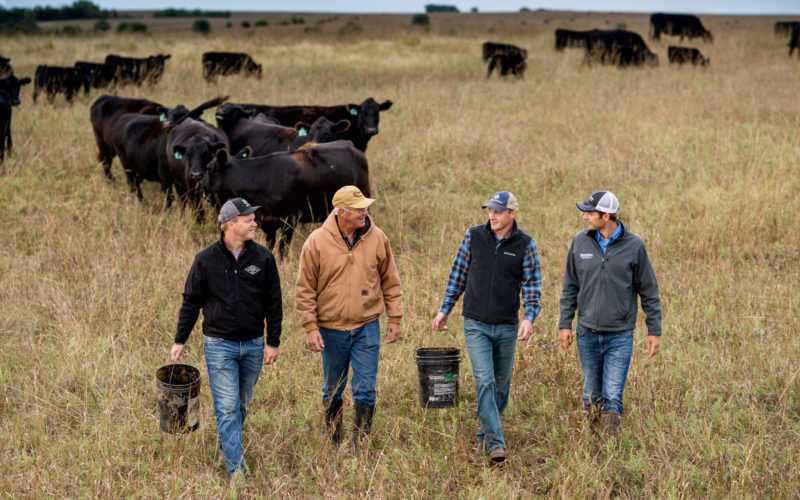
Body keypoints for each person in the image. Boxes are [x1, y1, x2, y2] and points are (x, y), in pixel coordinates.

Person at [170, 197, 283, 478]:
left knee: (241, 405)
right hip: (219, 345)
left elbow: (274, 302)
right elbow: (190, 302)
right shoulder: (205, 260)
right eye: (249, 220)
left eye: (254, 219)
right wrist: (180, 340)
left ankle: (227, 447)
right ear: (231, 224)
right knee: (228, 407)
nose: (255, 223)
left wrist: (273, 341)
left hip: (255, 344)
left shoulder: (263, 258)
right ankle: (237, 472)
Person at [432, 191, 541, 464]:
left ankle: (483, 435)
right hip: (476, 324)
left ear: (512, 214)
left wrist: (529, 317)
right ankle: (496, 444)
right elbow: (458, 274)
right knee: (485, 380)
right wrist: (445, 309)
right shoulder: (473, 236)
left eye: (498, 211)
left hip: (506, 325)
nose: (492, 215)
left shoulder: (525, 244)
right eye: (490, 210)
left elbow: (532, 286)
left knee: (501, 388)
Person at [295, 185, 403, 450]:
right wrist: (310, 326)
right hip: (330, 329)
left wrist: (395, 317)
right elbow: (304, 289)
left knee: (366, 388)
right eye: (359, 209)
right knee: (333, 389)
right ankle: (334, 439)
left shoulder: (377, 237)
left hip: (367, 326)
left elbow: (390, 279)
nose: (365, 212)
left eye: (365, 208)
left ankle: (359, 443)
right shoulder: (317, 242)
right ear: (341, 212)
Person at [558, 191, 662, 437]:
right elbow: (569, 287)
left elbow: (648, 290)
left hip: (620, 335)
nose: (585, 217)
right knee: (591, 395)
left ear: (606, 216)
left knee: (613, 396)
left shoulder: (634, 246)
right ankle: (592, 446)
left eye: (590, 213)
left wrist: (654, 331)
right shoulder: (580, 242)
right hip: (587, 332)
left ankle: (610, 449)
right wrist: (565, 325)